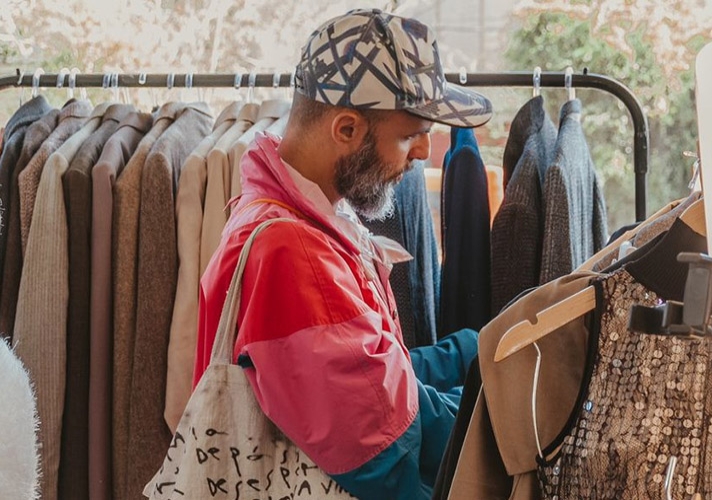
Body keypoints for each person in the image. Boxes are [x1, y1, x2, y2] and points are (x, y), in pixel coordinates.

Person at [193, 8, 492, 499]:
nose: (423, 151)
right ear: (347, 129)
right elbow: (386, 451)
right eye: (409, 134)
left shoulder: (297, 217)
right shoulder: (293, 252)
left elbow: (372, 375)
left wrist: (478, 350)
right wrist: (509, 407)